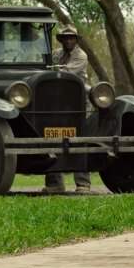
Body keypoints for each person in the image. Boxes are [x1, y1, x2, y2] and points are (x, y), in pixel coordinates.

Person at [43, 25, 92, 193]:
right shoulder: (57, 54)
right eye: (66, 38)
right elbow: (46, 68)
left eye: (72, 37)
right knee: (51, 139)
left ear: (76, 40)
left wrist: (51, 69)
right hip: (57, 103)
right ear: (61, 40)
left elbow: (65, 73)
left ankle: (83, 183)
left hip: (78, 105)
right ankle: (55, 183)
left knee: (78, 141)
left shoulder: (81, 56)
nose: (69, 40)